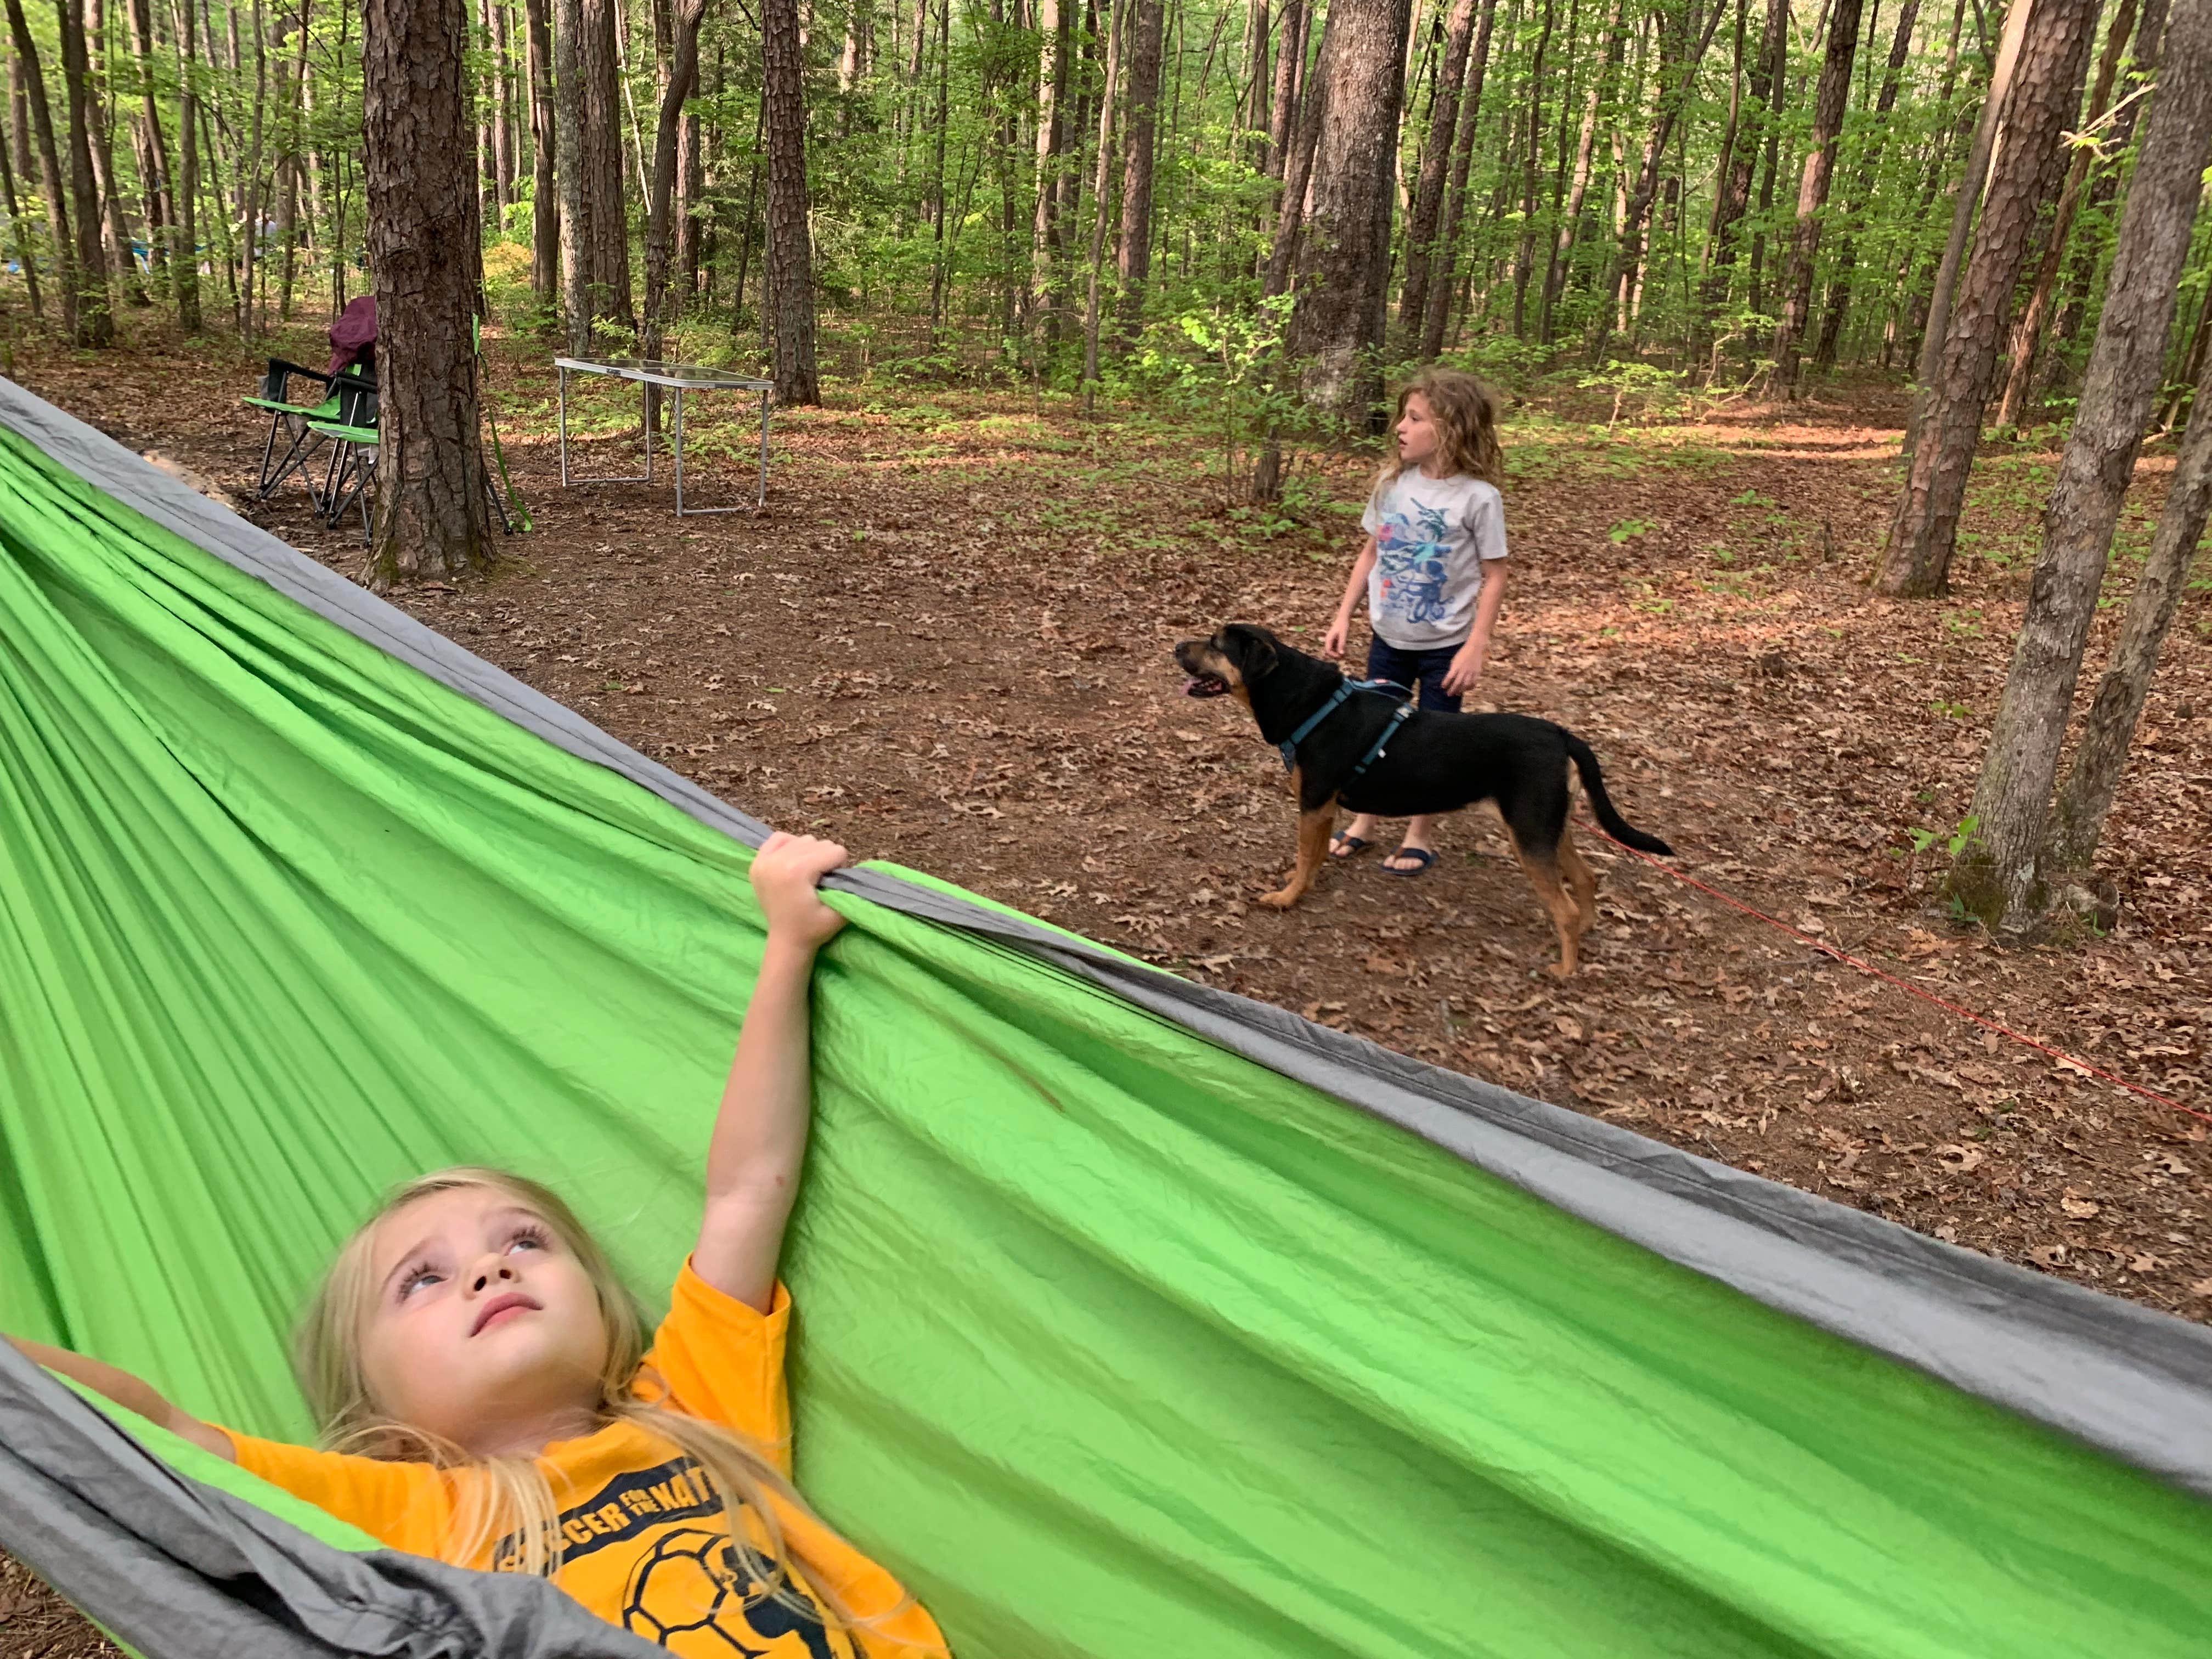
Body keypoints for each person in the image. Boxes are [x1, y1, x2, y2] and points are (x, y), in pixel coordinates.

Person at [8, 833, 943, 1658]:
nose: (491, 1268)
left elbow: (748, 1189)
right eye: (422, 1279)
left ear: (604, 1303)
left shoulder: (696, 1398)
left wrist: (785, 949)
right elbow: (159, 1433)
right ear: (374, 1403)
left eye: (525, 1240)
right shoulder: (402, 1511)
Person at [1319, 368, 1510, 877]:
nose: (1400, 427)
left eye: (1414, 418)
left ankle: (1419, 834)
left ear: (1450, 428)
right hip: (1389, 636)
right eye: (1404, 416)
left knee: (1433, 742)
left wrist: (1477, 645)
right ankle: (1365, 821)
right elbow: (1368, 555)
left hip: (1446, 644)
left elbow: (1495, 575)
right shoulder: (1393, 487)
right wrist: (1344, 616)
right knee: (1375, 729)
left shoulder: (1478, 499)